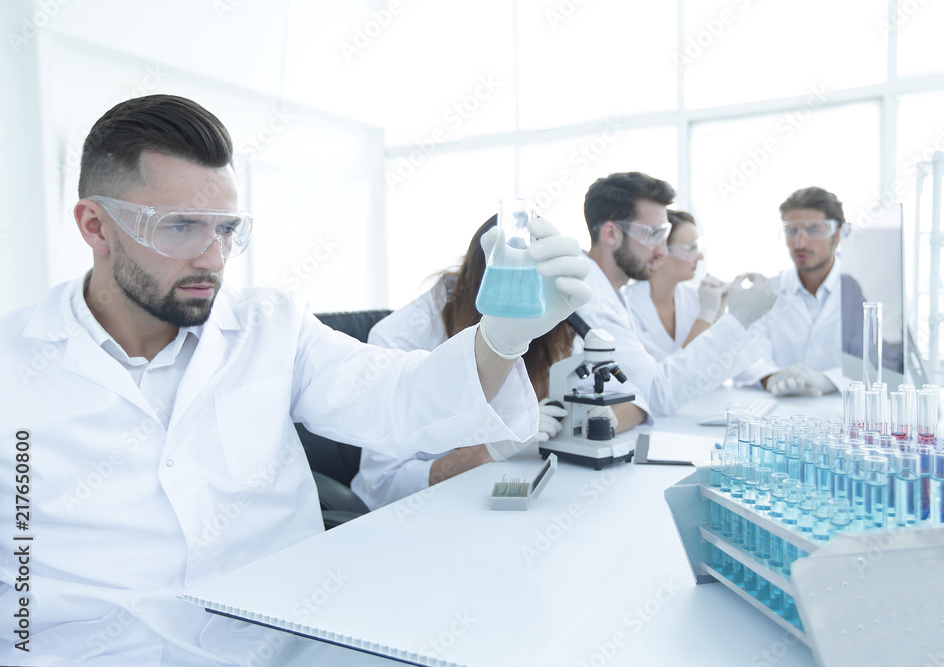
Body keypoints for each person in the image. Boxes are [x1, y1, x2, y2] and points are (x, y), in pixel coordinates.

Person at [0, 95, 591, 666]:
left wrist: (502, 339)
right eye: (179, 226)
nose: (213, 257)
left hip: (285, 645)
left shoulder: (269, 325)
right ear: (95, 227)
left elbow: (397, 396)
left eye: (226, 228)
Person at [354, 215, 635, 509]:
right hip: (418, 515)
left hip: (502, 498)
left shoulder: (551, 323)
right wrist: (489, 449)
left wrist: (585, 415)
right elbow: (383, 486)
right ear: (486, 285)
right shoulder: (401, 337)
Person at [576, 172, 777, 418]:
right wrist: (737, 320)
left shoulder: (607, 292)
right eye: (653, 235)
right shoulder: (591, 301)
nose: (662, 251)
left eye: (665, 235)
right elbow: (657, 393)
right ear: (611, 234)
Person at [741, 186, 861, 396]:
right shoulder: (768, 291)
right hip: (778, 411)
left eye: (814, 229)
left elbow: (877, 362)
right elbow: (747, 352)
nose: (800, 243)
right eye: (792, 230)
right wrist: (773, 378)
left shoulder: (861, 292)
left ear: (837, 235)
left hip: (842, 412)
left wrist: (827, 381)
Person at [623, 210, 728, 358]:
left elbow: (718, 359)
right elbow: (664, 373)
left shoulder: (697, 298)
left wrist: (719, 318)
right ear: (661, 251)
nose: (700, 256)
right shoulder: (627, 305)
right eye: (690, 248)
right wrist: (706, 316)